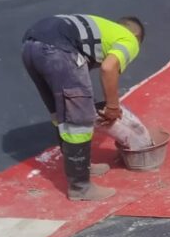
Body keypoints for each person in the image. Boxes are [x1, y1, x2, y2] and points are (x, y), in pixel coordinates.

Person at [21, 14, 145, 201]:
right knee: (80, 119)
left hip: (30, 47)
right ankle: (80, 187)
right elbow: (109, 68)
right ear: (137, 36)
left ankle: (82, 166)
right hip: (57, 50)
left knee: (59, 112)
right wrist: (113, 106)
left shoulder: (101, 29)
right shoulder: (129, 39)